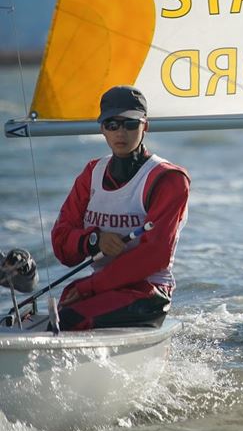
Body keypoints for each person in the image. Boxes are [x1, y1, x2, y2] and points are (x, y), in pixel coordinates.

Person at [50, 86, 189, 330]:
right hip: (102, 287)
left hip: (149, 292)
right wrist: (93, 241)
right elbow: (62, 244)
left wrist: (88, 287)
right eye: (112, 124)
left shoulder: (169, 179)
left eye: (130, 124)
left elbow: (155, 254)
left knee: (68, 320)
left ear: (145, 126)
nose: (120, 132)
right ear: (102, 128)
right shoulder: (92, 173)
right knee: (56, 315)